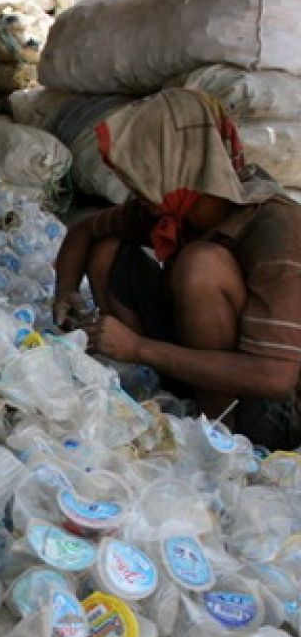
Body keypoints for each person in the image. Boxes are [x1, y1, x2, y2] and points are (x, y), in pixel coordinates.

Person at [54, 88, 301, 450]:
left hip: (270, 410)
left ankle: (218, 443)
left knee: (201, 266)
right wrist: (65, 292)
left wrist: (137, 347)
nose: (135, 187)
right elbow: (84, 231)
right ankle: (154, 398)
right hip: (198, 370)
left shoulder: (274, 226)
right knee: (107, 253)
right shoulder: (174, 209)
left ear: (179, 163)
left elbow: (276, 377)